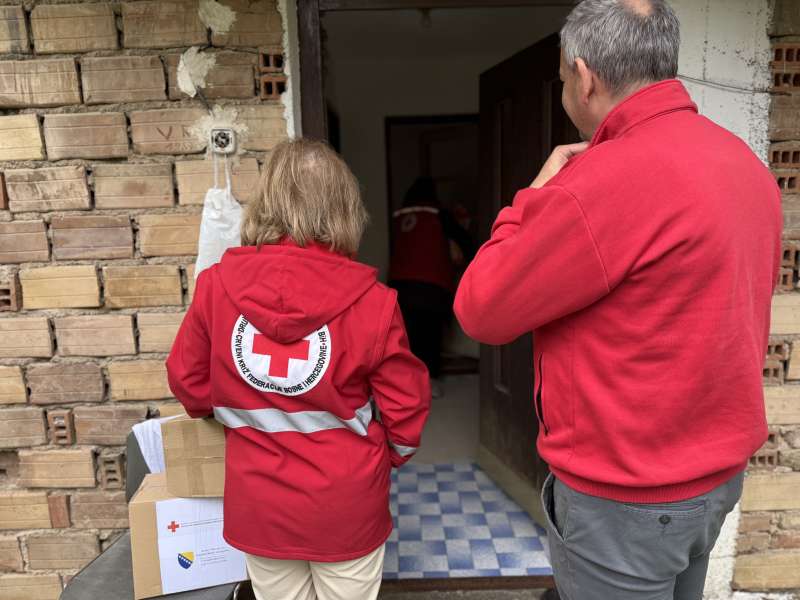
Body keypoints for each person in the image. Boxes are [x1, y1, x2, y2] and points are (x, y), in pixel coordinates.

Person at [454, 1, 782, 599]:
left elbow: (481, 308)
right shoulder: (743, 162)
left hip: (626, 500)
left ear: (584, 77)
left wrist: (533, 196)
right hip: (712, 482)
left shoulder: (599, 184)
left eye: (561, 79)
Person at [166, 139, 431, 600]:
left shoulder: (215, 287)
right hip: (346, 502)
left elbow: (189, 384)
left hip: (259, 501)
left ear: (266, 202)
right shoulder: (374, 302)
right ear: (344, 209)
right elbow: (405, 409)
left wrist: (237, 410)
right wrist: (386, 457)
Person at [389, 177, 476, 396]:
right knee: (430, 336)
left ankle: (406, 385)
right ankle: (429, 383)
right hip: (431, 285)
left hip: (400, 285)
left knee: (407, 336)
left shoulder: (398, 216)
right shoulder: (438, 213)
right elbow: (465, 242)